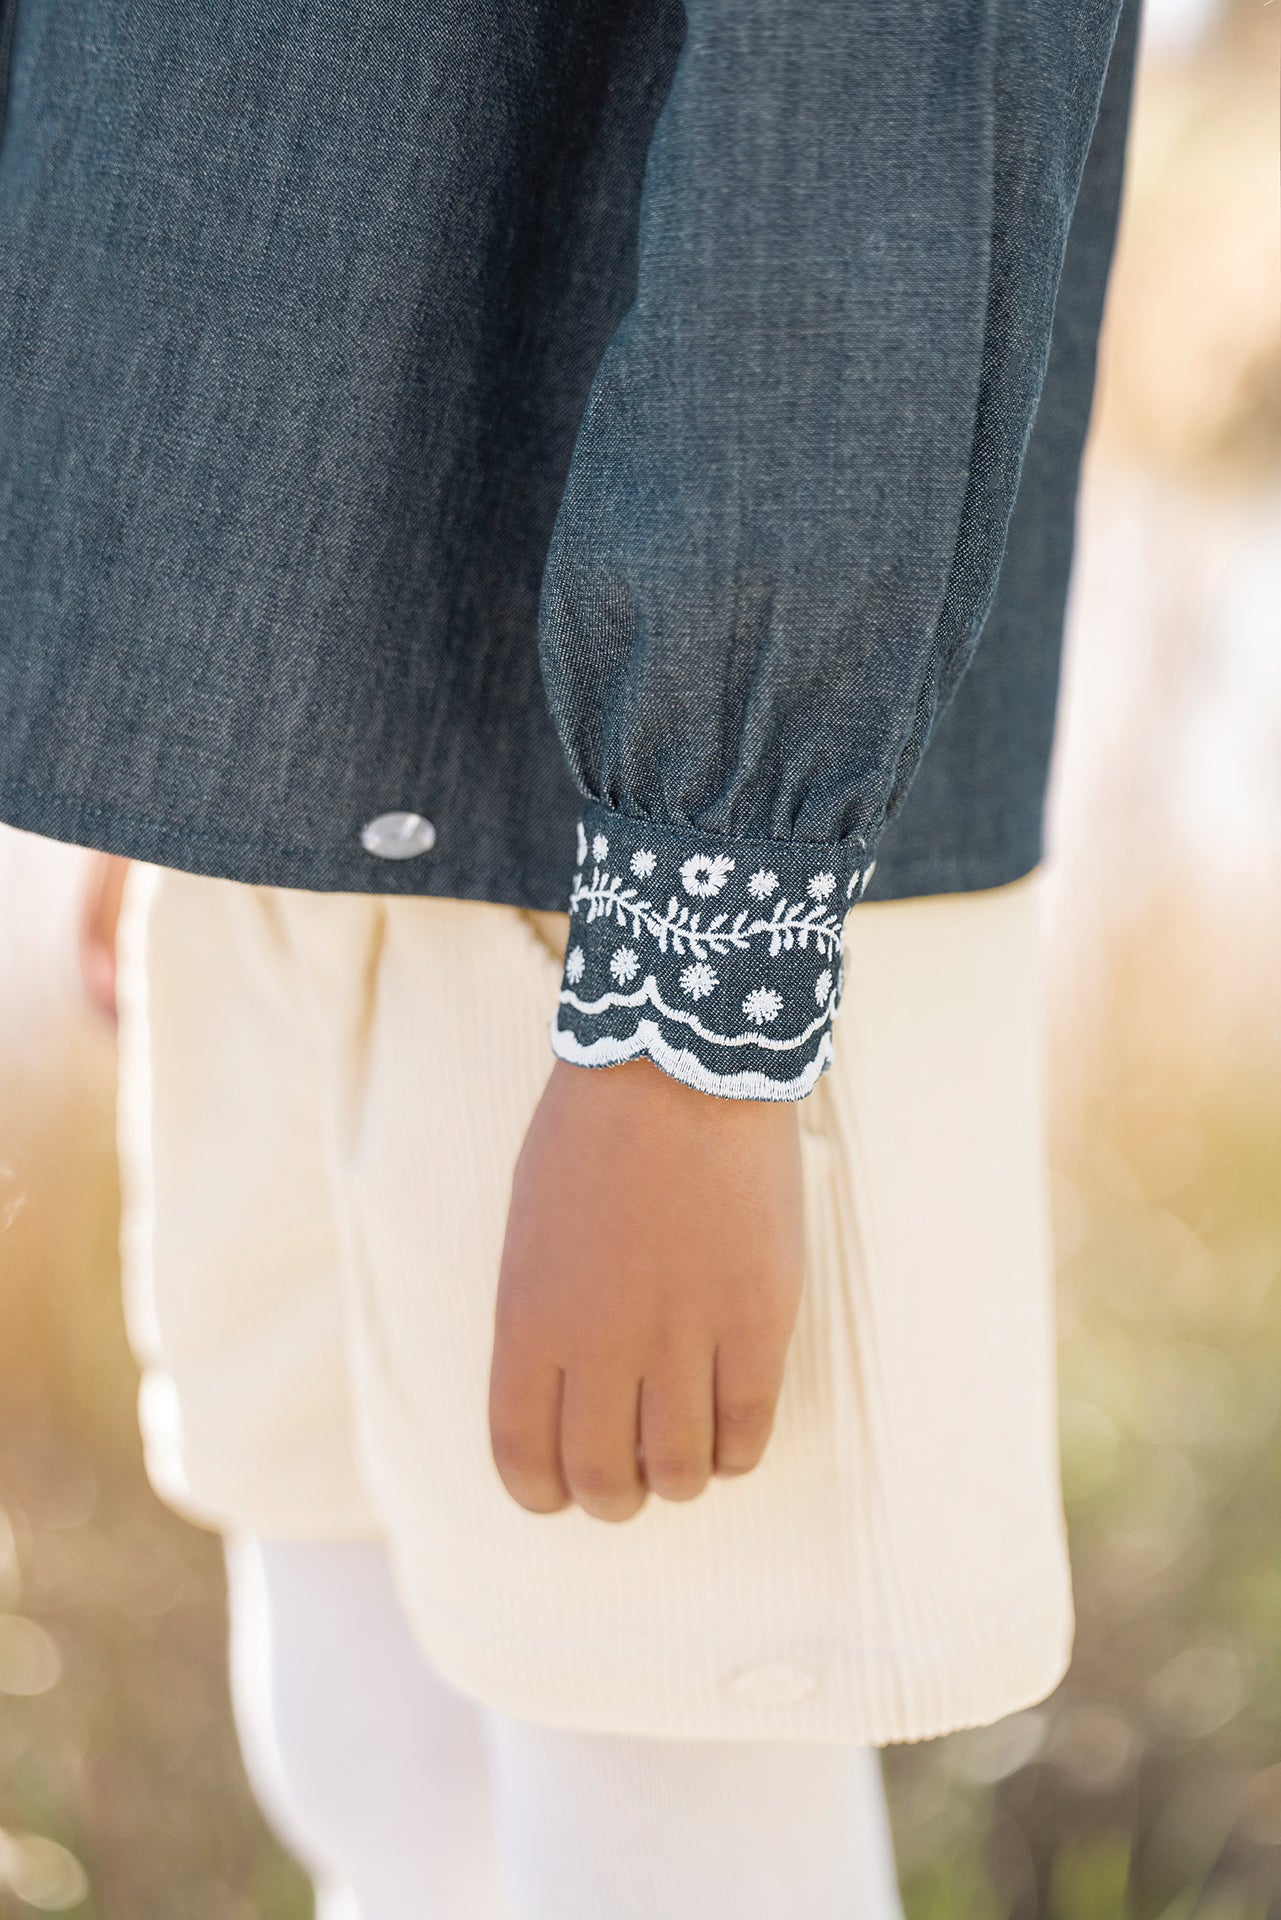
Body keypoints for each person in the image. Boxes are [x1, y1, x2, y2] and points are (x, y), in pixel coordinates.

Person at [5, 0, 1142, 1912]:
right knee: (369, 1767)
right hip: (277, 751)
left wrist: (694, 1003)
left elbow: (864, 120)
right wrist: (163, 694)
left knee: (668, 1829)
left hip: (620, 862)